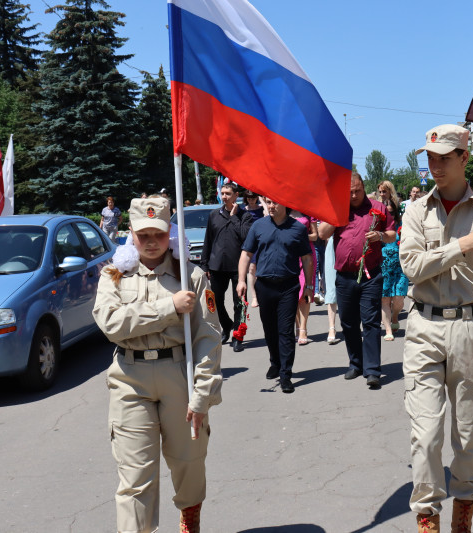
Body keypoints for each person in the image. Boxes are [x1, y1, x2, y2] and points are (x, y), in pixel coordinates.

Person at [400, 124, 473, 532]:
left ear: (465, 158)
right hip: (424, 327)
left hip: (470, 330)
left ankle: (463, 511)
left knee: (467, 435)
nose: (435, 166)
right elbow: (411, 267)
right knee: (426, 435)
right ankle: (427, 516)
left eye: (444, 158)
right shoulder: (415, 211)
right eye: (430, 158)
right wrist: (462, 246)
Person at [93, 197, 222, 533]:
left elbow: (207, 338)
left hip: (178, 375)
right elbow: (111, 325)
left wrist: (202, 394)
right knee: (135, 477)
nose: (151, 241)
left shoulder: (189, 276)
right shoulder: (115, 275)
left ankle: (189, 513)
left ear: (171, 234)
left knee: (189, 461)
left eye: (159, 234)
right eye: (143, 234)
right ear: (130, 233)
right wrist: (169, 308)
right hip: (130, 379)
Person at [317, 173, 396, 390]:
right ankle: (356, 363)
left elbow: (392, 233)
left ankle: (372, 370)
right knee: (349, 322)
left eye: (357, 191)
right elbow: (322, 234)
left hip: (371, 274)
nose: (353, 195)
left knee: (370, 322)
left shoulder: (378, 207)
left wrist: (380, 236)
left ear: (363, 188)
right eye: (349, 192)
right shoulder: (339, 208)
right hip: (344, 276)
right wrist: (336, 212)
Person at [237, 198, 313, 393]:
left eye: (275, 203)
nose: (271, 206)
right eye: (268, 202)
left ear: (285, 205)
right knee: (269, 329)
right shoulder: (259, 226)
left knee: (285, 330)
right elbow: (246, 254)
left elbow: (307, 258)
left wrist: (309, 286)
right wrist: (241, 280)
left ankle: (286, 374)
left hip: (288, 285)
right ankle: (275, 362)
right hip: (264, 286)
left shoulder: (297, 228)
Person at [200, 183, 253, 351]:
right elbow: (208, 240)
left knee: (240, 304)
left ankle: (238, 336)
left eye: (228, 193)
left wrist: (234, 216)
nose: (224, 196)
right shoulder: (214, 214)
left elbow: (245, 235)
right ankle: (227, 324)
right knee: (215, 301)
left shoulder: (245, 216)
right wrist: (204, 264)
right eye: (222, 193)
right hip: (217, 266)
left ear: (236, 195)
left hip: (239, 267)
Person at [377, 180, 409, 341]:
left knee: (398, 298)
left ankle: (395, 315)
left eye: (385, 191)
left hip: (399, 261)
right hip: (383, 261)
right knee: (385, 298)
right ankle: (388, 329)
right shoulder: (375, 215)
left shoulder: (401, 219)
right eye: (380, 192)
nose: (382, 195)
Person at [294, 212, 318, 345]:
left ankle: (303, 328)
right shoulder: (284, 211)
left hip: (307, 253)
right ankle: (297, 328)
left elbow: (315, 236)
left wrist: (300, 236)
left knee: (304, 291)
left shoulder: (308, 212)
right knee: (294, 294)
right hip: (290, 254)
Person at [242, 189, 267, 307]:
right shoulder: (243, 210)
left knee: (262, 268)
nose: (251, 200)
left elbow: (267, 215)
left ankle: (263, 294)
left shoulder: (262, 209)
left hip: (262, 242)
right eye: (249, 198)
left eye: (253, 198)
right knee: (252, 268)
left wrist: (262, 199)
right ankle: (254, 297)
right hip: (250, 242)